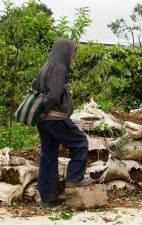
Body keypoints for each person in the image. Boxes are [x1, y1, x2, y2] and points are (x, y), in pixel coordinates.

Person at [36, 39, 90, 208]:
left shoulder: (45, 67)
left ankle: (48, 197)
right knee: (80, 143)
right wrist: (47, 109)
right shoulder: (59, 67)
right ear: (64, 51)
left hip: (43, 120)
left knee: (49, 154)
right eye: (73, 53)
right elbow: (55, 94)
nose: (73, 57)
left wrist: (42, 112)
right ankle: (74, 180)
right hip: (55, 117)